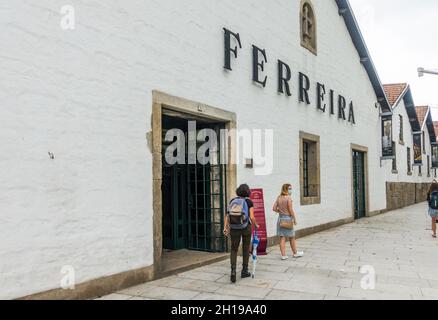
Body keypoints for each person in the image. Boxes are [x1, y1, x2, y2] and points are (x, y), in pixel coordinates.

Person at [223, 184, 259, 283]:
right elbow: (252, 217)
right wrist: (256, 225)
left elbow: (227, 215)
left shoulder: (232, 201)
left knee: (234, 249)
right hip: (245, 227)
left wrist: (225, 227)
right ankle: (244, 271)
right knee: (246, 248)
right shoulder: (249, 202)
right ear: (248, 192)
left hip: (234, 228)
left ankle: (233, 271)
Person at [272, 184, 304, 260]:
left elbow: (273, 208)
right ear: (285, 189)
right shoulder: (288, 198)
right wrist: (294, 219)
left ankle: (283, 255)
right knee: (292, 237)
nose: (291, 190)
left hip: (280, 219)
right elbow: (290, 210)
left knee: (282, 237)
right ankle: (295, 253)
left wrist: (279, 211)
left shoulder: (279, 197)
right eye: (289, 188)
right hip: (288, 219)